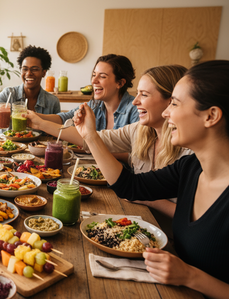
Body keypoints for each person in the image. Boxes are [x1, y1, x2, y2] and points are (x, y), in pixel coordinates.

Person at [74, 60, 229, 297]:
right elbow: (131, 187)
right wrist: (91, 137)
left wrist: (191, 276)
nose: (167, 113)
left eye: (175, 104)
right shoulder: (190, 168)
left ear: (211, 116)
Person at [26, 65, 192, 223]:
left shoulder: (189, 152)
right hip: (135, 217)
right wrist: (39, 123)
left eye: (144, 95)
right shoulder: (140, 130)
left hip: (167, 237)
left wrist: (147, 198)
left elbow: (193, 216)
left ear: (171, 101)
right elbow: (94, 139)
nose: (135, 102)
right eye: (137, 94)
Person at [37, 54, 139, 131]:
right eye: (94, 75)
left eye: (102, 76)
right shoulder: (94, 105)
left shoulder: (135, 110)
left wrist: (89, 143)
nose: (94, 81)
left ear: (120, 83)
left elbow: (135, 153)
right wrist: (34, 116)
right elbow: (65, 118)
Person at [0, 45, 61, 134]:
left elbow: (58, 131)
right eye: (25, 69)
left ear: (43, 73)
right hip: (8, 145)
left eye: (34, 69)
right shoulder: (8, 93)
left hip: (39, 147)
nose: (29, 73)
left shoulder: (52, 101)